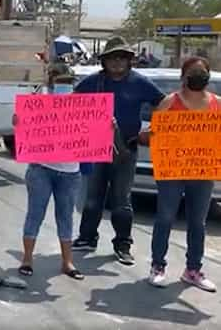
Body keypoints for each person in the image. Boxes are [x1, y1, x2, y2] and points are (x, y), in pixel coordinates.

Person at [71, 36, 165, 266]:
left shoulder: (140, 82)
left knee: (122, 200)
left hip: (126, 149)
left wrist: (153, 131)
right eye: (112, 58)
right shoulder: (92, 82)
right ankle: (87, 238)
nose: (117, 62)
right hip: (95, 147)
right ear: (104, 61)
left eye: (122, 57)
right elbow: (68, 106)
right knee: (93, 198)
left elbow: (164, 104)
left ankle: (123, 244)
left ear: (129, 60)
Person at [141, 56, 218, 292]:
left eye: (201, 71)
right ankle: (157, 266)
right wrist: (149, 134)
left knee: (197, 222)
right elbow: (153, 133)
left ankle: (193, 270)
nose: (197, 75)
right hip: (172, 170)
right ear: (183, 76)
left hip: (203, 171)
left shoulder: (217, 104)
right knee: (165, 217)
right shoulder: (168, 103)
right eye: (193, 71)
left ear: (207, 75)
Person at [16, 63, 84, 280]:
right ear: (51, 81)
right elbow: (22, 129)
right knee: (35, 213)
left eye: (67, 81)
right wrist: (18, 123)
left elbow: (94, 134)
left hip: (71, 171)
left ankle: (67, 261)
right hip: (41, 168)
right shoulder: (39, 102)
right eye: (60, 80)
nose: (64, 85)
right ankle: (27, 259)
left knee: (66, 216)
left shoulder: (84, 105)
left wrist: (106, 125)